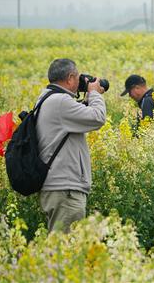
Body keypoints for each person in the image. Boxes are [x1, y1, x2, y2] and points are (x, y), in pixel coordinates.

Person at [36, 58, 106, 232]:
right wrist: (95, 93)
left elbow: (80, 116)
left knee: (60, 248)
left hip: (58, 187)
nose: (79, 82)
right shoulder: (60, 101)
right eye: (77, 77)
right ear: (69, 78)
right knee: (67, 251)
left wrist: (88, 97)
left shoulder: (47, 98)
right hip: (65, 189)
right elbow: (97, 117)